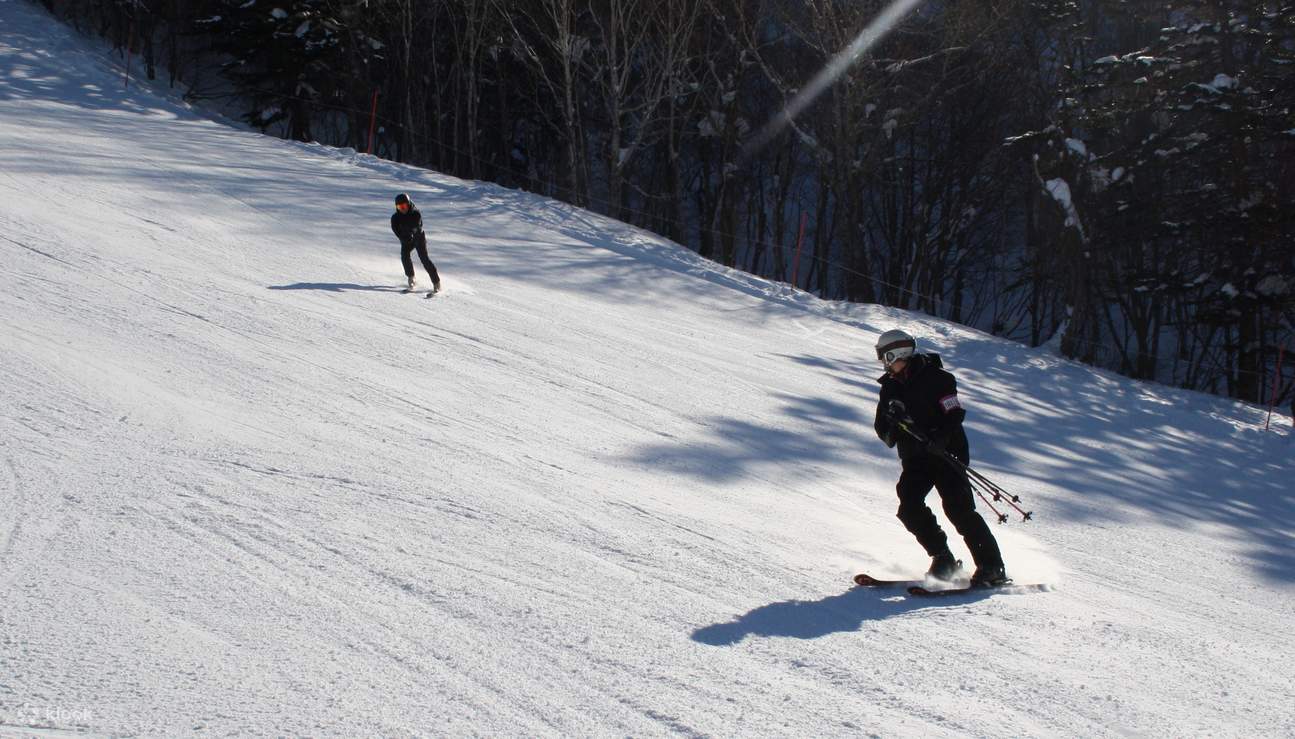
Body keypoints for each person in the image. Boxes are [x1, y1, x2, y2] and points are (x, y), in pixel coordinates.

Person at [871, 329, 1010, 587]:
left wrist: (940, 438)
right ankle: (942, 558)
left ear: (899, 352)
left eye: (887, 357)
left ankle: (992, 566)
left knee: (959, 509)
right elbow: (883, 431)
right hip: (916, 458)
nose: (885, 364)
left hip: (947, 453)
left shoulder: (938, 378)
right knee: (909, 506)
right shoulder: (889, 387)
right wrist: (893, 422)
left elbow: (954, 413)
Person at [391, 193, 441, 293]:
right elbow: (396, 230)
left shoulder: (415, 213)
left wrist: (412, 233)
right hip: (406, 239)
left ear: (408, 204)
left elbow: (417, 226)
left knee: (424, 258)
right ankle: (411, 277)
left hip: (418, 238)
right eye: (399, 207)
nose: (402, 209)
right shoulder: (395, 218)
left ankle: (436, 283)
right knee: (404, 256)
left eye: (404, 206)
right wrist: (403, 238)